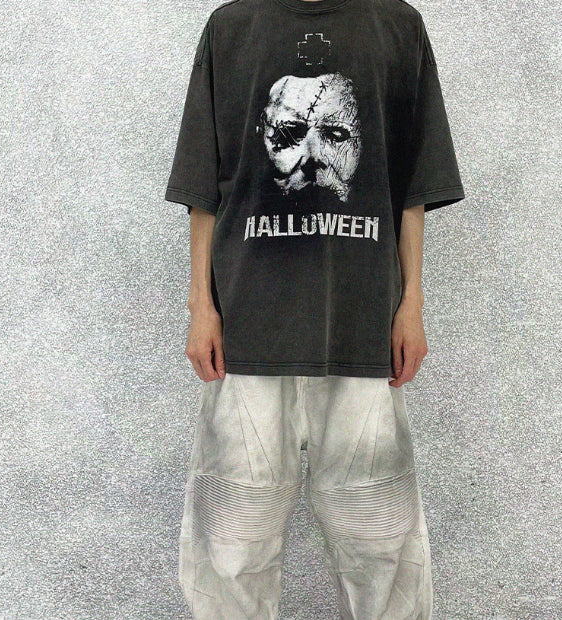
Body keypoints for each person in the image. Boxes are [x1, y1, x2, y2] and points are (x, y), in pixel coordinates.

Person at [164, 0, 464, 617]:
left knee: (379, 539)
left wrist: (412, 303)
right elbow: (204, 185)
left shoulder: (397, 27)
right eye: (286, 137)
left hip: (361, 322)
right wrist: (201, 306)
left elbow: (411, 184)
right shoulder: (231, 28)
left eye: (335, 136)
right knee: (234, 537)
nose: (309, 158)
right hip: (247, 326)